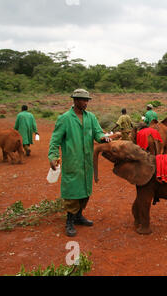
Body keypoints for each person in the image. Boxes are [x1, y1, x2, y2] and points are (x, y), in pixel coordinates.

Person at [48, 88, 111, 237]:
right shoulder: (64, 119)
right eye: (84, 100)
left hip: (87, 162)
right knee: (72, 192)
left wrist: (103, 137)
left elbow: (97, 133)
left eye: (87, 100)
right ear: (75, 101)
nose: (86, 103)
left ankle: (79, 216)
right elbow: (55, 140)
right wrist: (53, 156)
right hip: (72, 161)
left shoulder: (91, 118)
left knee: (85, 190)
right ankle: (69, 221)